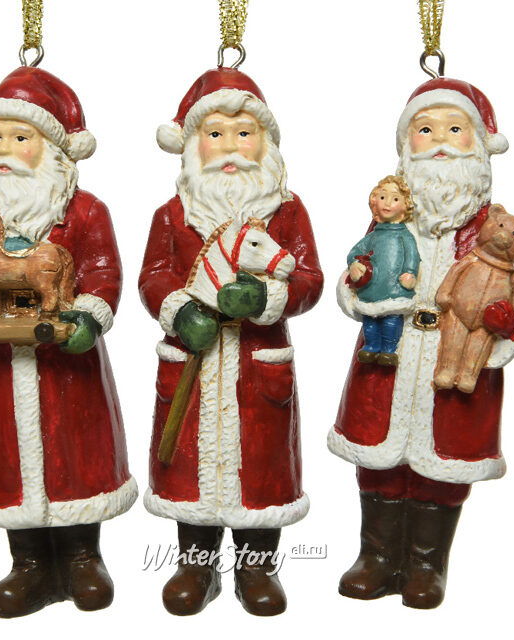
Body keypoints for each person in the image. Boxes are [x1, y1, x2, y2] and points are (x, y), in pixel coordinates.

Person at [0, 67, 137, 617]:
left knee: (76, 455)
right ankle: (28, 563)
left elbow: (103, 272)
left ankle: (83, 556)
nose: (3, 149)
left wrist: (89, 316)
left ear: (51, 148)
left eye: (20, 137)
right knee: (7, 456)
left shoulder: (84, 210)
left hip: (68, 366)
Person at [329, 78, 514, 609]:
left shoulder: (493, 228)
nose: (439, 141)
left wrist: (505, 327)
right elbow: (361, 264)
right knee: (378, 456)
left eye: (455, 129)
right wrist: (355, 284)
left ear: (480, 146)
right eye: (425, 129)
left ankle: (425, 563)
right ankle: (375, 556)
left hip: (456, 362)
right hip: (388, 356)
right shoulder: (393, 213)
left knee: (443, 464)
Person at [139, 67, 323, 616]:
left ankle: (256, 566)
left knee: (260, 466)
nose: (229, 147)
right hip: (193, 359)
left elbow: (309, 277)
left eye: (244, 133)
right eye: (214, 133)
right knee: (187, 461)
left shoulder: (287, 212)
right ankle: (196, 565)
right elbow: (153, 276)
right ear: (192, 145)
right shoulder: (172, 215)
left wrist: (269, 297)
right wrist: (178, 309)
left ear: (266, 142)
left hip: (256, 362)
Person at [347, 175, 420, 366]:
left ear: (405, 206)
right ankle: (371, 346)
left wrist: (410, 272)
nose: (387, 203)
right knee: (370, 321)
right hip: (372, 288)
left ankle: (389, 349)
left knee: (390, 320)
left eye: (395, 199)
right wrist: (354, 264)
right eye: (382, 197)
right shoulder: (373, 236)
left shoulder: (405, 236)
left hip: (395, 288)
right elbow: (354, 252)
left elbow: (412, 256)